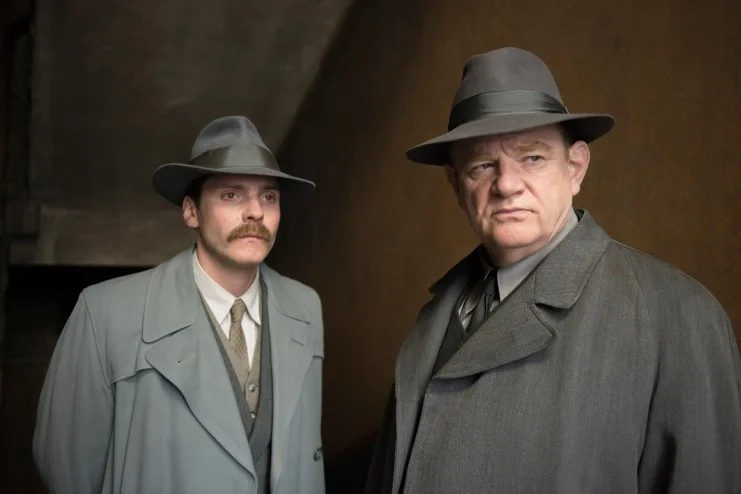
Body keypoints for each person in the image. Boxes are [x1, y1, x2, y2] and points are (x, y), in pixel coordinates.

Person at [365, 47, 741, 493]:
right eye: (482, 166)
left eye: (532, 158)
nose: (506, 184)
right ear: (456, 184)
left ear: (575, 168)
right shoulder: (432, 319)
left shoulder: (678, 315)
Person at [33, 116, 326, 494]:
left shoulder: (306, 307)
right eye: (231, 195)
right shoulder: (105, 314)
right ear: (191, 211)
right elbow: (66, 467)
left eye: (268, 196)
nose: (255, 211)